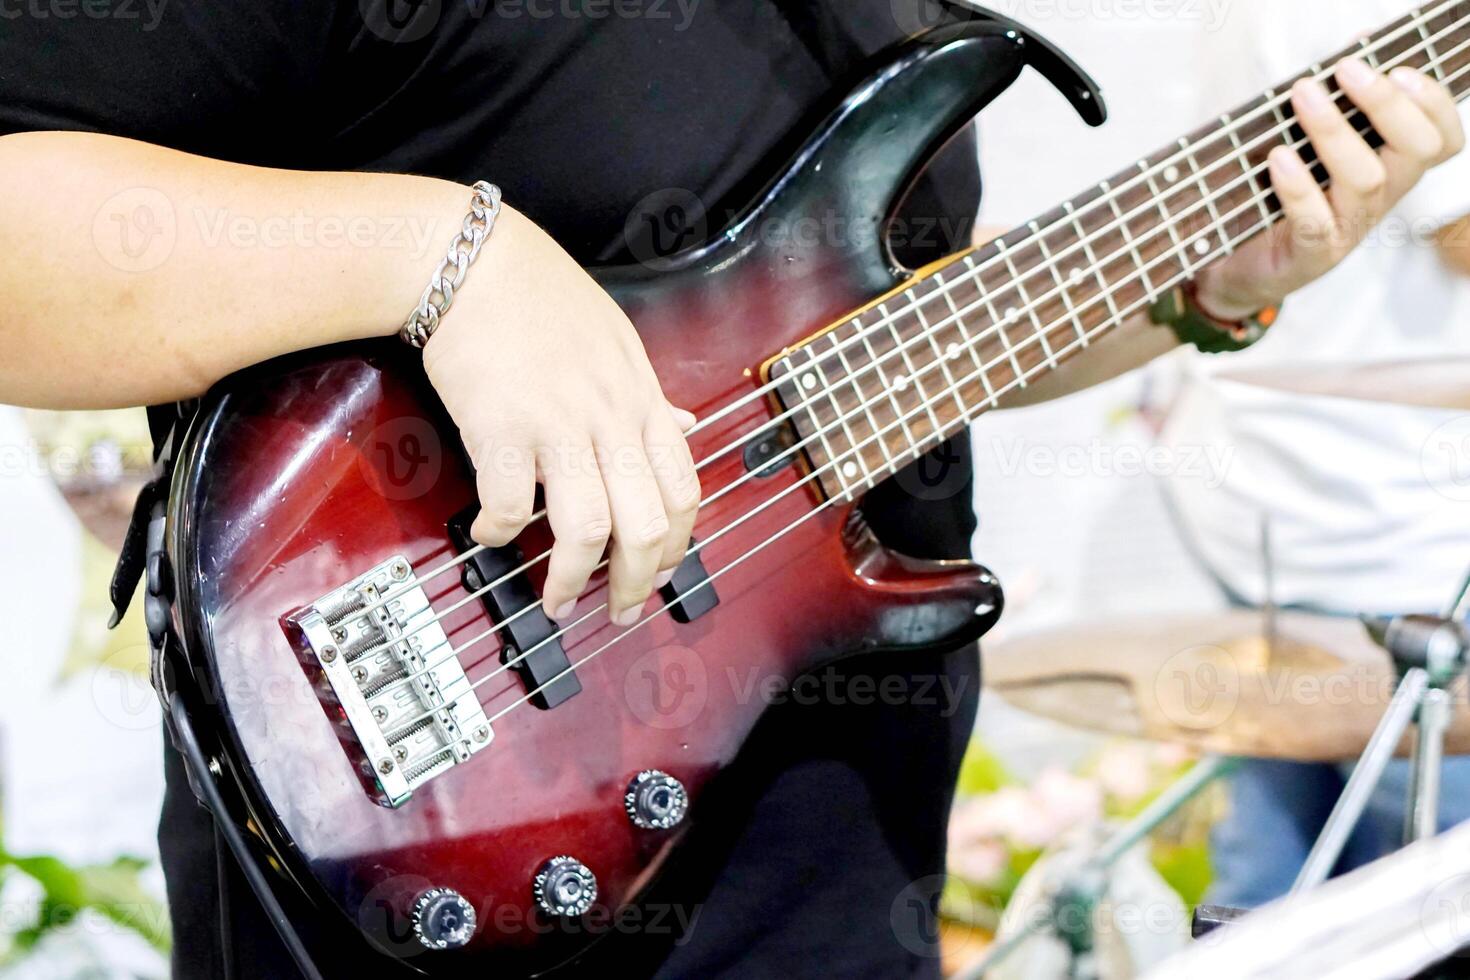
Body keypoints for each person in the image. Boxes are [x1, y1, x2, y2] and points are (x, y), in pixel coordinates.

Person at [0, 1, 1459, 976]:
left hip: (828, 868)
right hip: (410, 828)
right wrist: (449, 260)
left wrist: (1198, 291)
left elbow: (858, 355)